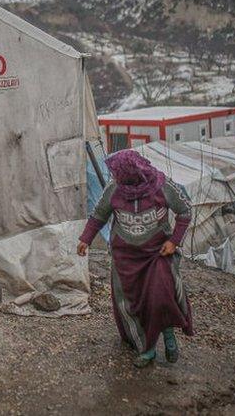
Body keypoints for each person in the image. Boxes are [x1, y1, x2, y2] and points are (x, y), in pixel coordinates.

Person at [77, 150, 194, 368]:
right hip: (125, 259)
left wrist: (174, 241)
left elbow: (185, 210)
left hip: (157, 254)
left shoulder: (162, 186)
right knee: (130, 304)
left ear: (132, 173)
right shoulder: (114, 190)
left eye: (117, 173)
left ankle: (168, 336)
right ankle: (146, 349)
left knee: (161, 297)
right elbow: (98, 216)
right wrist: (86, 239)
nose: (114, 177)